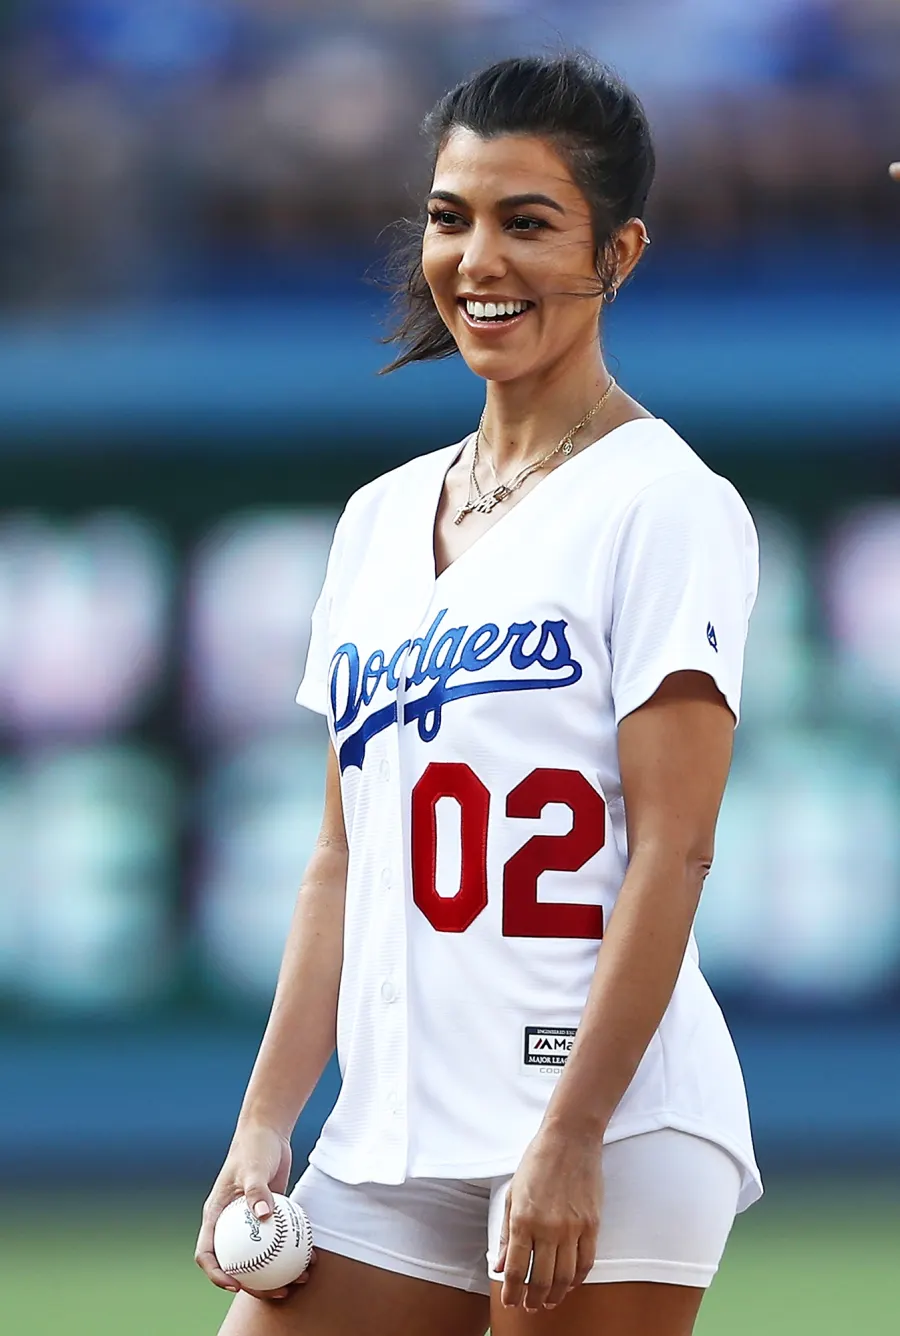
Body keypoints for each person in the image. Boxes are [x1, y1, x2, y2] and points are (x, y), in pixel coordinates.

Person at [195, 53, 763, 1336]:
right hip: (393, 1124)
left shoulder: (663, 502)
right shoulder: (379, 518)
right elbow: (342, 861)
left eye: (528, 220)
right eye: (452, 217)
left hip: (605, 1118)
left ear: (619, 253)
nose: (478, 257)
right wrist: (267, 1117)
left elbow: (674, 848)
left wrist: (571, 1136)